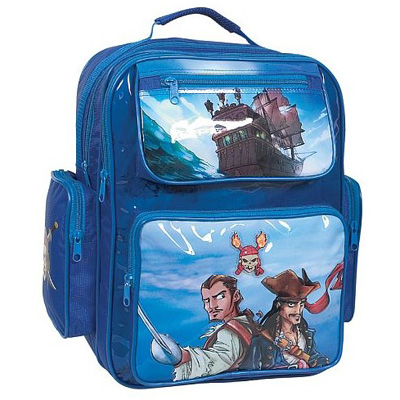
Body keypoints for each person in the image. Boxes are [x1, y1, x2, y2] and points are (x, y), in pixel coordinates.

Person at [151, 274, 255, 381]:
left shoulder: (230, 332)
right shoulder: (246, 323)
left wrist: (183, 357)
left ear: (235, 296)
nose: (212, 306)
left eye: (220, 297)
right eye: (207, 300)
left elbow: (221, 359)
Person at [241, 269, 329, 370]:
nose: (298, 311)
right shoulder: (262, 339)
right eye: (291, 304)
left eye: (301, 304)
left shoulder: (306, 335)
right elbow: (248, 369)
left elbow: (315, 359)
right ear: (279, 305)